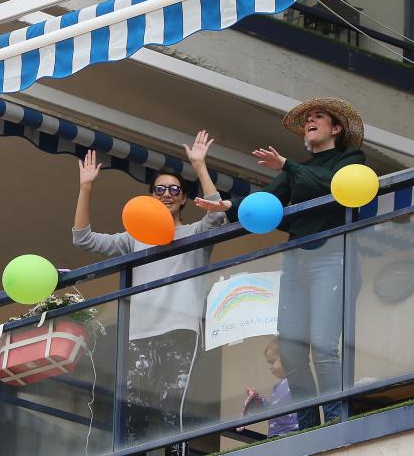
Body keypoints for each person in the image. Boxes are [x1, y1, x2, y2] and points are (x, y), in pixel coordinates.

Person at [196, 98, 366, 429]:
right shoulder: (297, 170)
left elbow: (329, 184)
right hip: (297, 260)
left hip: (332, 256)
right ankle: (306, 423)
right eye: (308, 119)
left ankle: (334, 420)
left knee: (322, 345)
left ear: (336, 128)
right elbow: (268, 200)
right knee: (291, 351)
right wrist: (228, 205)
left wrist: (288, 164)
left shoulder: (351, 159)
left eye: (319, 117)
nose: (311, 121)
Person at [72, 131, 226, 456]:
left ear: (183, 198)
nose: (167, 194)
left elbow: (216, 215)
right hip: (139, 336)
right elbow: (84, 240)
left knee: (173, 415)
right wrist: (86, 187)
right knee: (135, 422)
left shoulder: (194, 234)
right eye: (160, 190)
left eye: (174, 190)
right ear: (151, 197)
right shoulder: (133, 239)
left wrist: (199, 165)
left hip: (180, 333)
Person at [238, 338, 299, 438]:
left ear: (287, 357)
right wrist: (258, 399)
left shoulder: (296, 380)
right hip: (275, 435)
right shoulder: (276, 388)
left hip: (292, 432)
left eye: (272, 361)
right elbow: (272, 410)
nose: (270, 367)